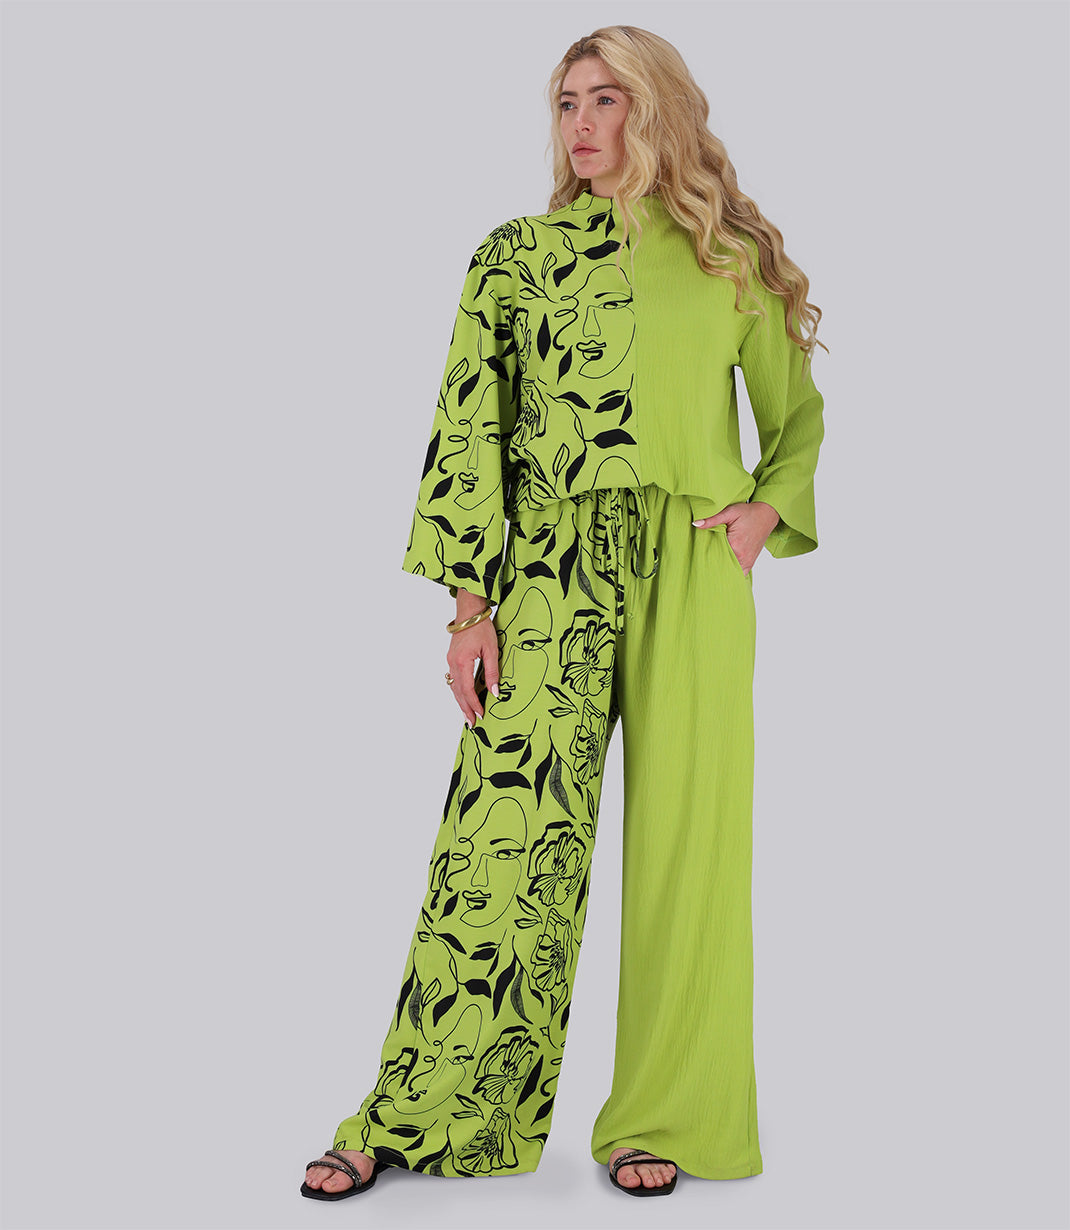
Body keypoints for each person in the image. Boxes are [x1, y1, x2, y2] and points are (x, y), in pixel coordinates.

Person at [301, 23, 825, 1202]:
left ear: (659, 110)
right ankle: (415, 1116)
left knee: (690, 850)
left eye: (606, 100)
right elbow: (468, 437)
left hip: (693, 564)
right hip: (546, 568)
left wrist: (762, 511)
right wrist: (467, 611)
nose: (580, 123)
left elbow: (795, 415)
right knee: (499, 846)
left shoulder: (729, 256)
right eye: (565, 102)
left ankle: (660, 1120)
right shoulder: (514, 258)